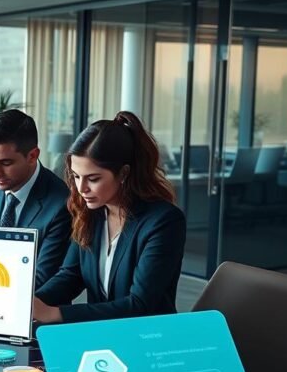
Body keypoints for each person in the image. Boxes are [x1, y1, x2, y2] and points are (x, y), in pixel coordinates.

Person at [33, 111, 186, 324]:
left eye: (93, 179)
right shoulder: (90, 213)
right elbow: (70, 275)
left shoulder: (164, 221)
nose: (81, 188)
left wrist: (55, 313)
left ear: (123, 173)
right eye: (76, 176)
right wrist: (32, 302)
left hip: (146, 337)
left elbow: (140, 304)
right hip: (102, 334)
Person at [0, 109, 71, 288]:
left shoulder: (60, 203)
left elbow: (41, 278)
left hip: (33, 307)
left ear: (32, 156)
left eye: (6, 163)